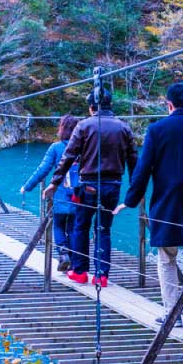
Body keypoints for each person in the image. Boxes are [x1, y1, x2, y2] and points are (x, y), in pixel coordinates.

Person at [118, 82, 183, 325]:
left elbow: (143, 168)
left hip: (166, 202)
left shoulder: (157, 129)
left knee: (166, 257)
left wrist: (131, 199)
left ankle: (172, 312)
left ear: (168, 105)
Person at [44, 90, 137, 288]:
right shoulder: (124, 128)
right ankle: (101, 276)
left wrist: (55, 181)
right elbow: (133, 160)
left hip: (88, 186)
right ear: (110, 104)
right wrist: (135, 189)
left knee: (81, 227)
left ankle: (79, 271)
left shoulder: (84, 125)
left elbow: (68, 156)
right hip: (113, 185)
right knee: (103, 230)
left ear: (91, 107)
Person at [22, 115, 82, 275]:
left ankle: (63, 254)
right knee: (73, 228)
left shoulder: (55, 148)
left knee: (58, 225)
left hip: (61, 196)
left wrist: (27, 187)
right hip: (79, 197)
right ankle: (75, 262)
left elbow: (43, 170)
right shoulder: (84, 148)